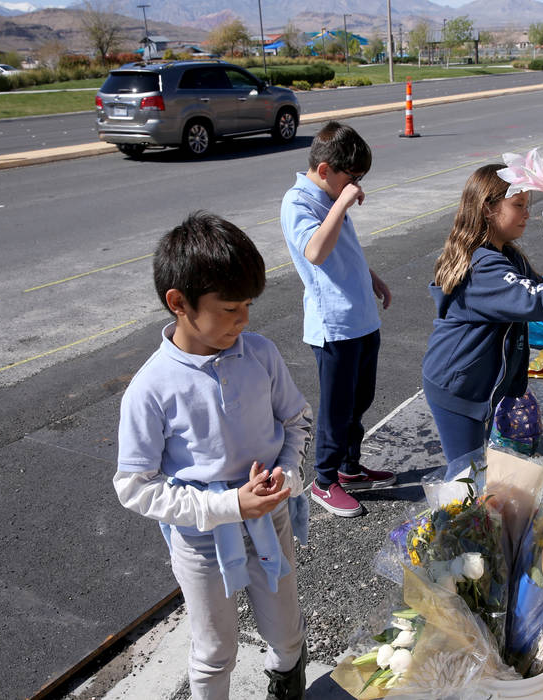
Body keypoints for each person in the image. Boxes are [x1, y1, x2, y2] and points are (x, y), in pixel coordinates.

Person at [114, 212, 312, 700]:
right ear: (178, 303)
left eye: (248, 305)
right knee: (213, 652)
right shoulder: (151, 388)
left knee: (286, 632)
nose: (243, 320)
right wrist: (226, 507)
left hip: (272, 518)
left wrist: (286, 474)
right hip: (201, 543)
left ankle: (287, 676)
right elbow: (134, 486)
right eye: (229, 309)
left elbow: (297, 419)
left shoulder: (260, 354)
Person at [280, 121, 396, 517]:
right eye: (353, 177)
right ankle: (324, 481)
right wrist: (343, 202)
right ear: (326, 169)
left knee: (359, 402)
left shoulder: (331, 197)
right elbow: (315, 251)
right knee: (336, 408)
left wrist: (372, 277)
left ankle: (348, 467)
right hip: (335, 326)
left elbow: (345, 250)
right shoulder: (298, 203)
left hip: (361, 318)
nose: (358, 186)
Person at [422, 164, 543, 476]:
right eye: (519, 205)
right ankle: (449, 522)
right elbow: (537, 301)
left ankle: (465, 517)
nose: (527, 214)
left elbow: (538, 287)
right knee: (464, 477)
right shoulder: (483, 267)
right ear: (488, 208)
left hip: (471, 382)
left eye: (528, 205)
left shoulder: (507, 256)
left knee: (474, 469)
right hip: (456, 386)